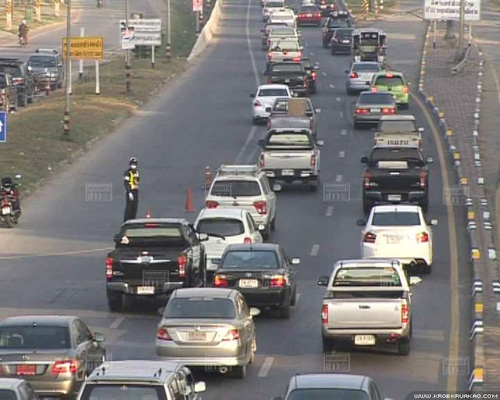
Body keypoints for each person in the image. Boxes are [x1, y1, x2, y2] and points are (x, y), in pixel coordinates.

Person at [123, 157, 139, 222]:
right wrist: (129, 192)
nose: (134, 166)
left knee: (134, 208)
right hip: (130, 192)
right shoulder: (128, 173)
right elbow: (126, 183)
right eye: (132, 164)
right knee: (129, 208)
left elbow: (137, 181)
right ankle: (126, 221)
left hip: (135, 191)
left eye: (135, 164)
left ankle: (133, 220)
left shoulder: (136, 172)